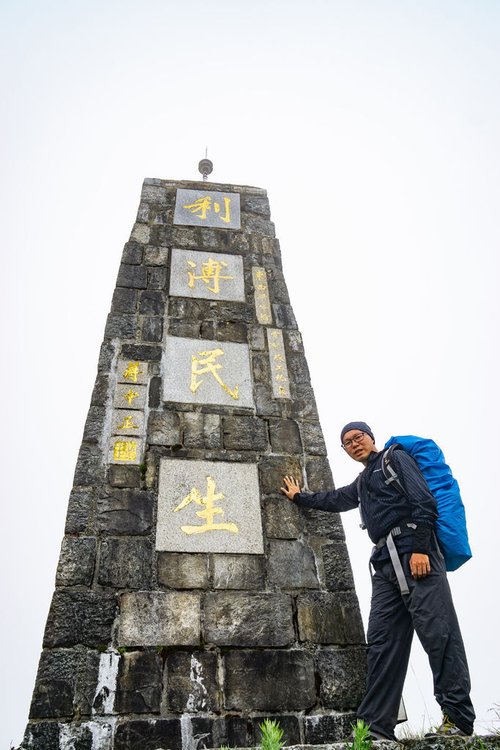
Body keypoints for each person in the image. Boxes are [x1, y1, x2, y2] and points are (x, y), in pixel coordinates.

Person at [281, 421, 475, 741]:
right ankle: (376, 729)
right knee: (383, 644)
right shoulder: (362, 482)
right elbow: (335, 499)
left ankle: (458, 719)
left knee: (439, 635)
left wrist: (421, 548)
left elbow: (423, 500)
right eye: (347, 442)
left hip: (415, 551)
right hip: (385, 564)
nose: (354, 444)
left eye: (358, 437)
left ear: (371, 438)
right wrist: (300, 497)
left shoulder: (394, 458)